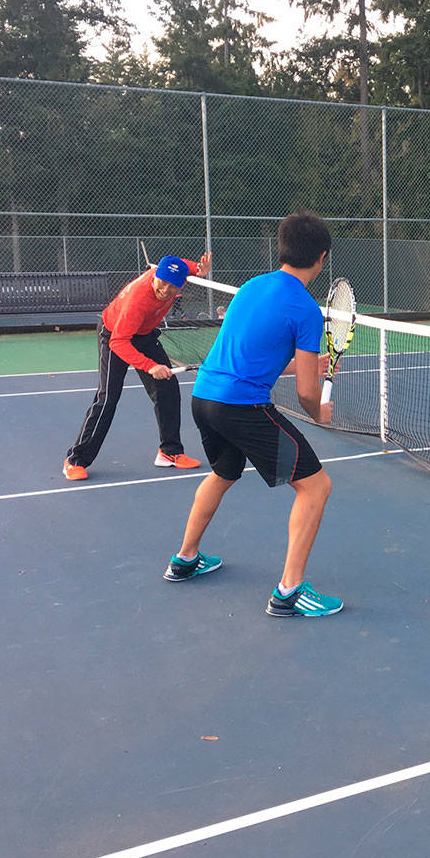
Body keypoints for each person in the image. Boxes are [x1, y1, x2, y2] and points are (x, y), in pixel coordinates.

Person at [167, 211, 343, 619]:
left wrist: (306, 366)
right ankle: (289, 592)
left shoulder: (251, 286)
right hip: (242, 409)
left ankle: (185, 558)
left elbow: (256, 356)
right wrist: (319, 412)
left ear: (281, 248)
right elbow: (305, 396)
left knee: (224, 472)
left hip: (205, 399)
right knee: (315, 487)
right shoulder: (304, 309)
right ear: (321, 258)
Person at [63, 252, 210, 481]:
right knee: (108, 397)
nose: (164, 289)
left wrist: (199, 269)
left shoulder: (173, 274)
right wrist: (150, 366)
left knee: (167, 389)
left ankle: (169, 452)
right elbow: (118, 342)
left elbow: (183, 266)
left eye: (172, 286)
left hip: (144, 334)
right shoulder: (139, 300)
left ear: (182, 285)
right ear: (155, 275)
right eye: (162, 282)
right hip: (114, 334)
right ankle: (75, 460)